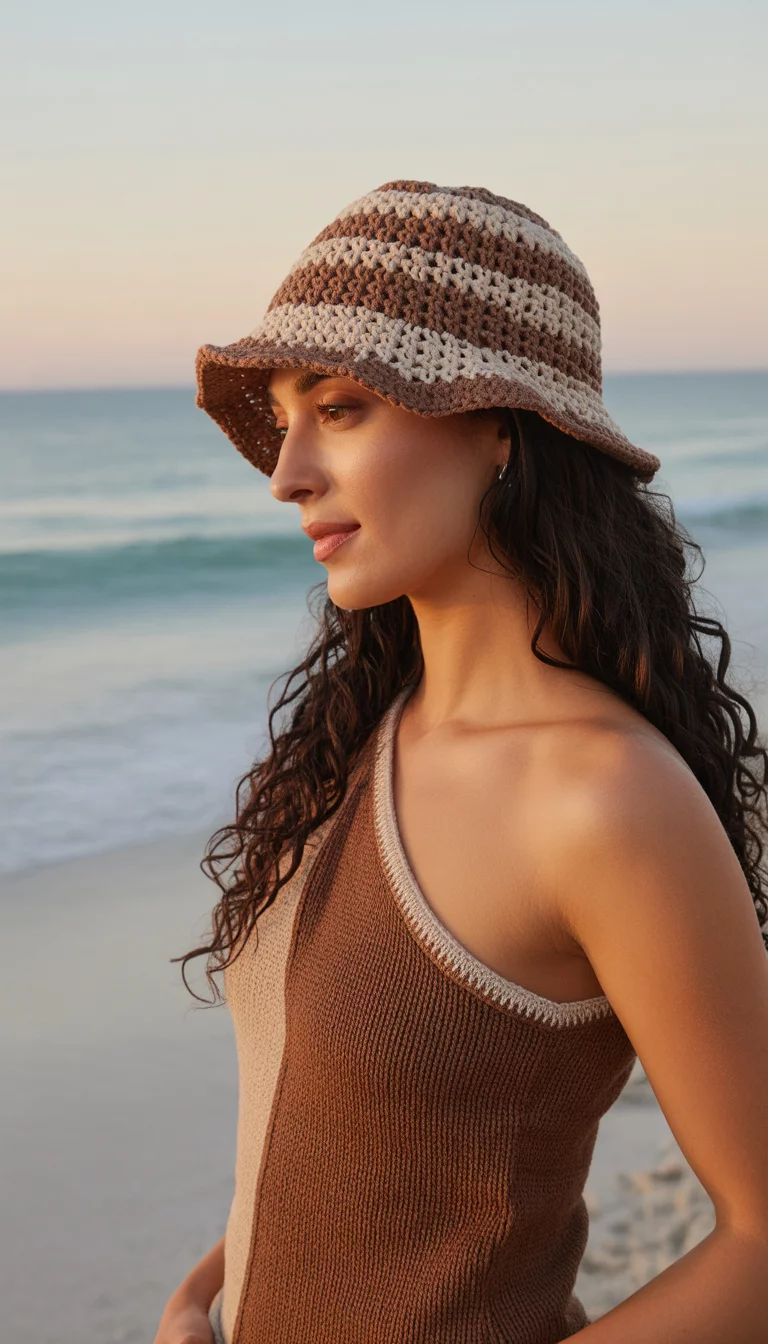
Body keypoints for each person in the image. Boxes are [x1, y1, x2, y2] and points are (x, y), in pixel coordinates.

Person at [154, 181, 768, 1344]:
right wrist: (204, 1300)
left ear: (500, 430)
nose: (283, 474)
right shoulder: (359, 742)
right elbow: (354, 1130)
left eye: (336, 408)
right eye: (282, 419)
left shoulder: (602, 799)